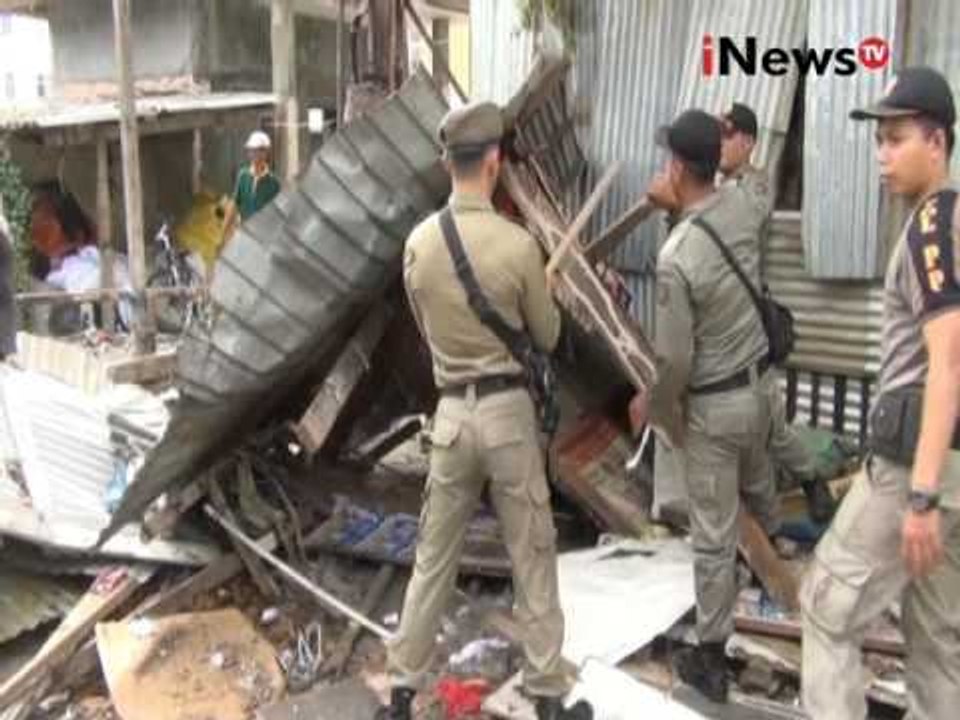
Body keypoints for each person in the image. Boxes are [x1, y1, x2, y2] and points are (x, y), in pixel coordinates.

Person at [377, 101, 591, 720]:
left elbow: (424, 328)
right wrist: (540, 293)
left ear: (448, 163)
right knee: (532, 554)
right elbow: (547, 339)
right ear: (494, 163)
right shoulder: (518, 244)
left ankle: (398, 698)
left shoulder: (417, 245)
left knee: (433, 559)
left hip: (450, 419)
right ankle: (548, 698)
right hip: (507, 418)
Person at [800, 66, 960, 720]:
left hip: (912, 471)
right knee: (937, 640)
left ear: (939, 143)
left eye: (897, 140)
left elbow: (949, 358)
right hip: (951, 470)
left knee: (824, 607)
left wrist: (920, 495)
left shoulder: (931, 227)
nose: (882, 156)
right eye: (880, 141)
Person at [647, 109, 779, 704]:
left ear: (677, 167)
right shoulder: (744, 207)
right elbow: (718, 225)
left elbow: (673, 361)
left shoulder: (676, 257)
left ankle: (710, 656)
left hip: (716, 409)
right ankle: (771, 578)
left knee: (713, 533)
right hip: (760, 393)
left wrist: (657, 410)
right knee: (760, 493)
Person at [718, 101, 836, 523]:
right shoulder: (720, 187)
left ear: (748, 142)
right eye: (718, 134)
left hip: (748, 320)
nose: (721, 143)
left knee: (769, 422)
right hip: (720, 321)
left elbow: (741, 226)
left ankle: (811, 480)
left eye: (728, 135)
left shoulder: (755, 186)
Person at [221, 130, 281, 243]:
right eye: (251, 151)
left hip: (263, 238)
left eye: (257, 151)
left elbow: (276, 217)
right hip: (244, 234)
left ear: (265, 153)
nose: (253, 155)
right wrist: (223, 232)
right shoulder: (243, 176)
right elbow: (234, 204)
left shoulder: (274, 183)